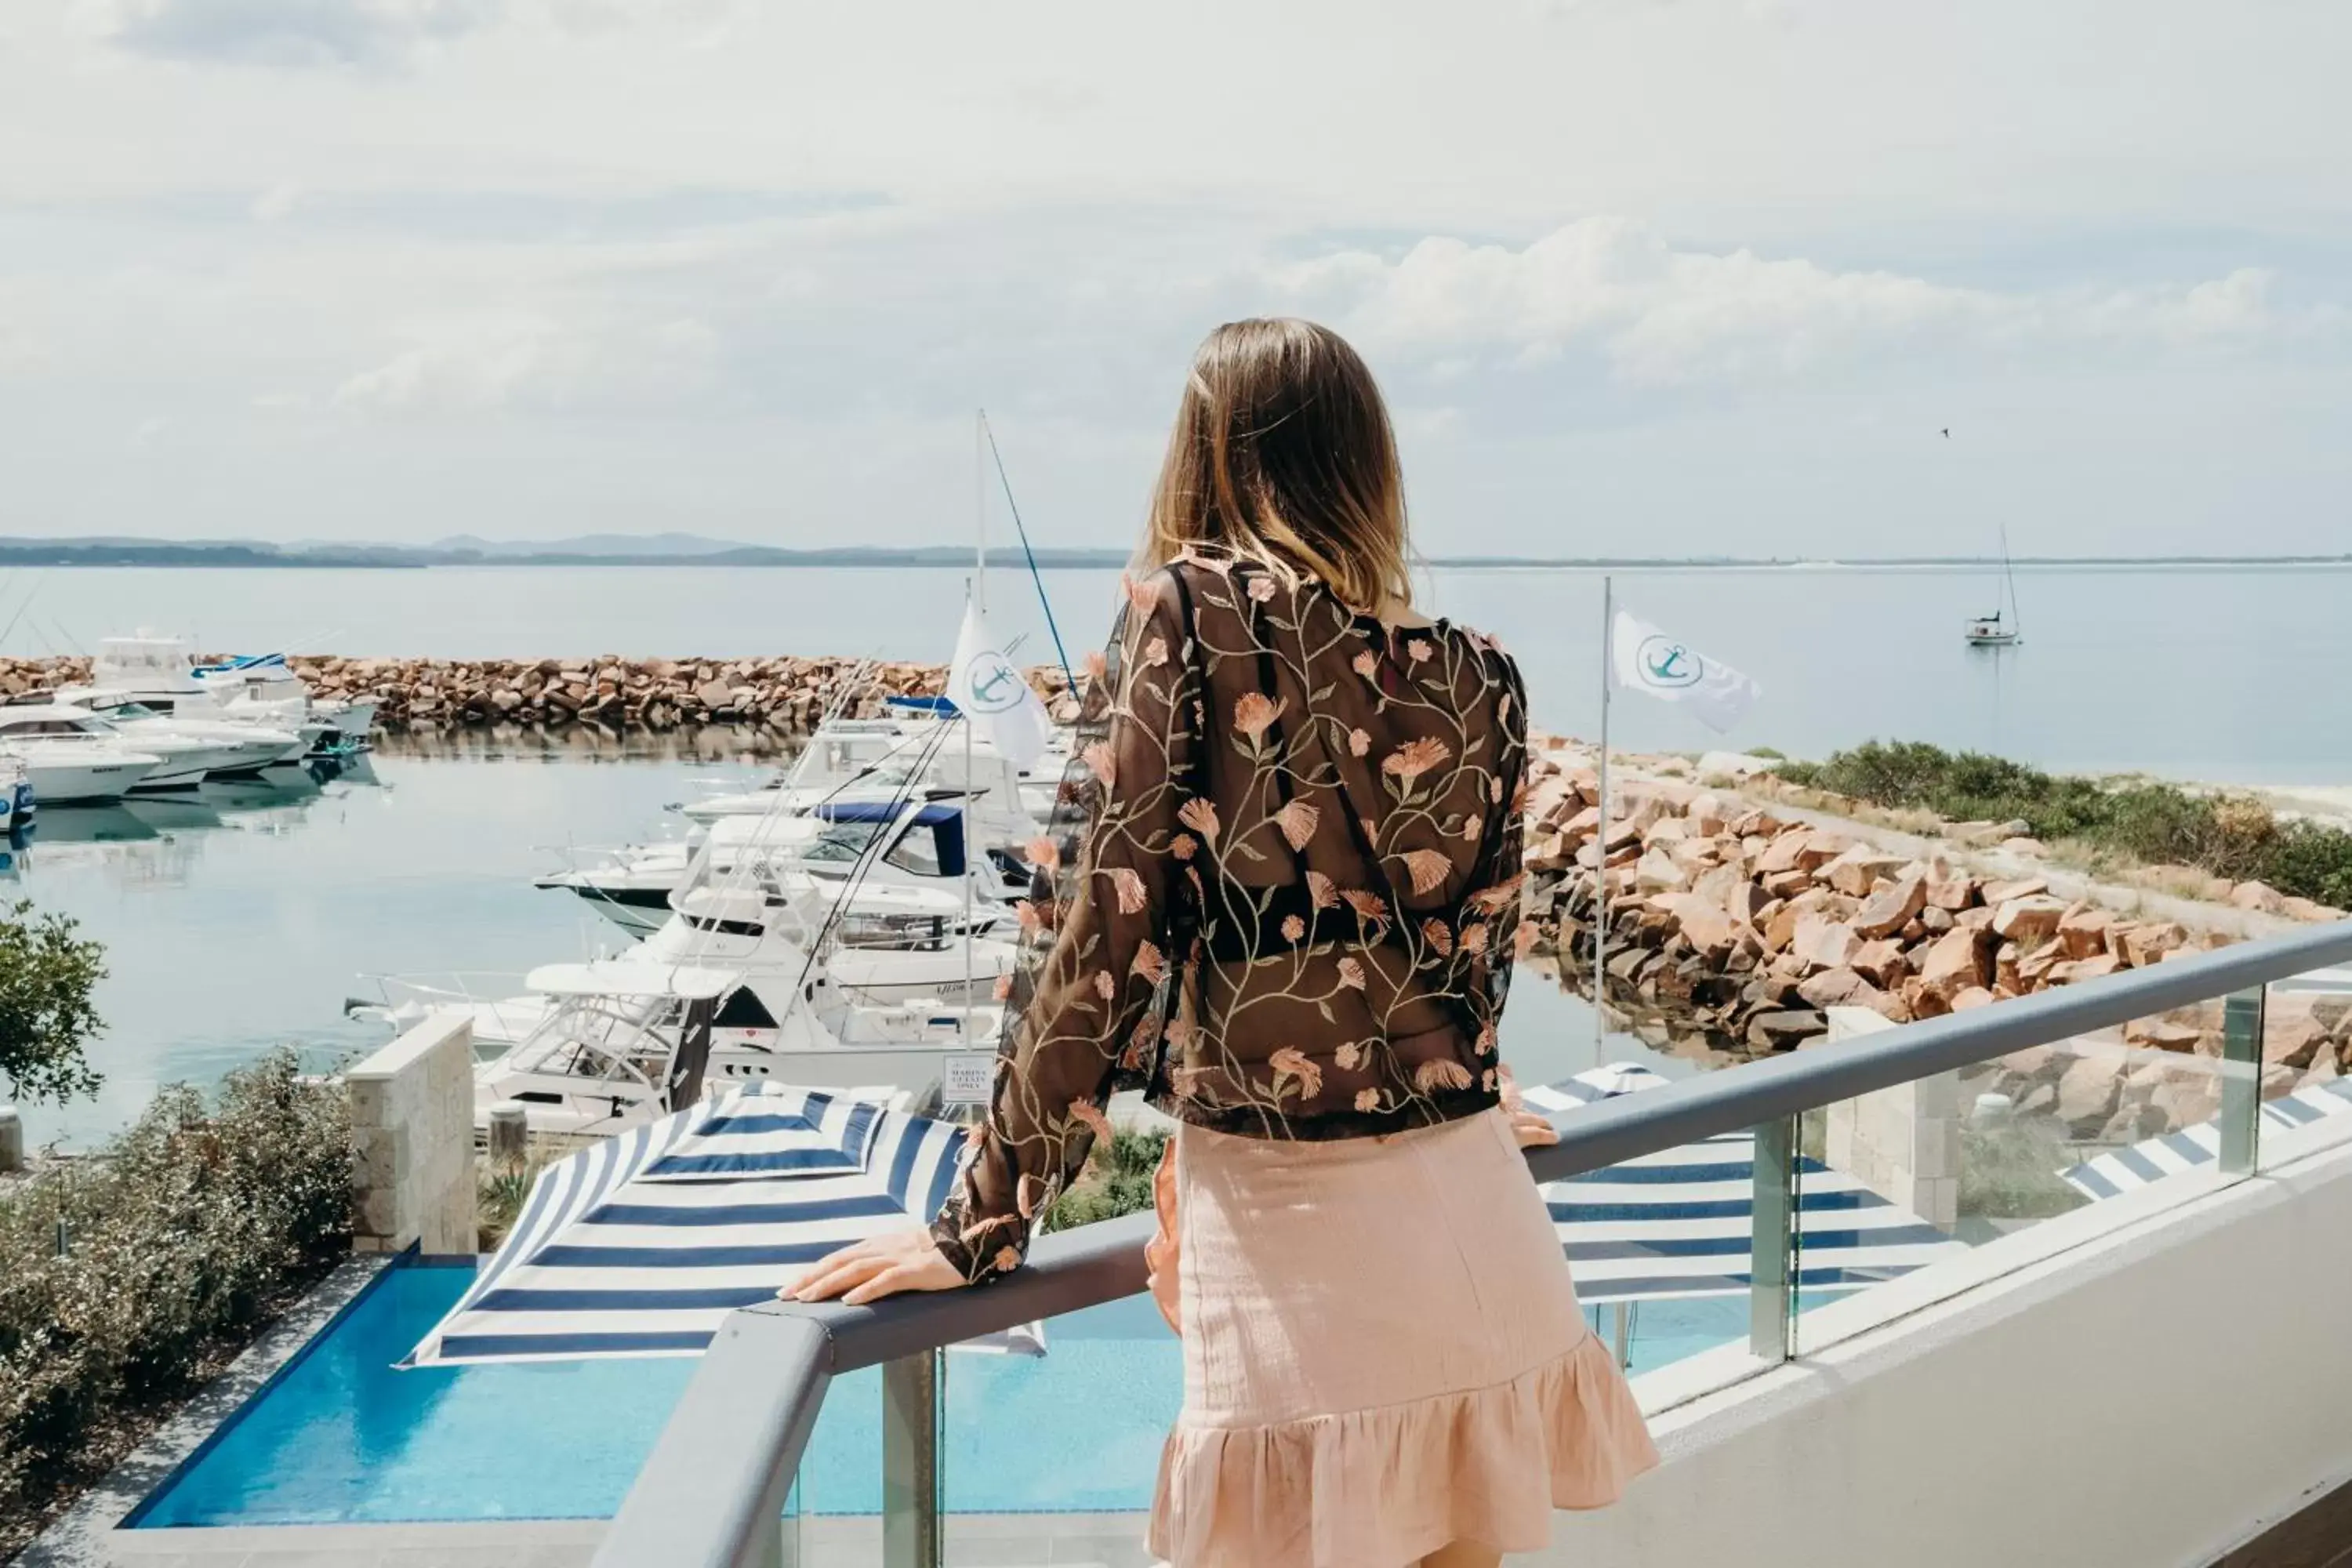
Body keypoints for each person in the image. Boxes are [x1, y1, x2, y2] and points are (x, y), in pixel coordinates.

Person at [789, 318, 1657, 1567]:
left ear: (1204, 452)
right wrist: (1463, 1082)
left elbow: (1098, 926)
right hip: (1483, 1232)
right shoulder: (1485, 671)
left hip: (1301, 1253)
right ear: (1369, 462)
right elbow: (1477, 955)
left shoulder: (1188, 609)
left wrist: (977, 1226)